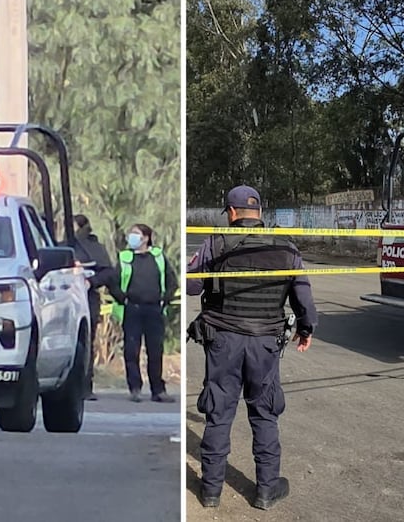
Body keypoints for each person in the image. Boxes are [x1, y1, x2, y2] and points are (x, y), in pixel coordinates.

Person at [186, 185, 318, 511]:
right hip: (264, 344)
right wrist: (306, 329)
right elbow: (304, 298)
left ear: (231, 213)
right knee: (264, 414)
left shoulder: (215, 244)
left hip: (223, 341)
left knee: (219, 414)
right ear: (260, 212)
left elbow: (190, 286)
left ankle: (211, 491)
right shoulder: (286, 247)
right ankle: (265, 491)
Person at [111, 223, 177, 403]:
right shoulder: (125, 257)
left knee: (155, 351)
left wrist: (166, 298)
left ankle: (158, 390)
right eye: (131, 233)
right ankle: (135, 388)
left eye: (136, 233)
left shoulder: (158, 257)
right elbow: (113, 282)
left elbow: (172, 281)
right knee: (131, 351)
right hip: (132, 309)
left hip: (154, 309)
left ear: (146, 238)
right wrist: (121, 298)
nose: (131, 236)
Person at [71, 214, 117, 401]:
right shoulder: (63, 244)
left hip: (88, 299)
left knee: (86, 343)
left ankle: (85, 386)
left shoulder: (94, 247)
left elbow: (108, 272)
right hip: (65, 298)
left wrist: (92, 281)